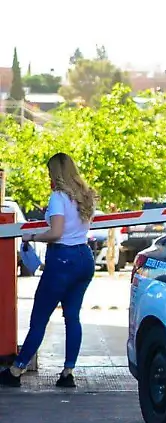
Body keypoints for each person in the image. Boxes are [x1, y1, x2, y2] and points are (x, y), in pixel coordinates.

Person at [0, 153, 98, 388]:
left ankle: (16, 370)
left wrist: (31, 236)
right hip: (85, 257)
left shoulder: (58, 198)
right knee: (72, 317)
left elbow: (56, 232)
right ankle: (68, 372)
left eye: (49, 172)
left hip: (62, 258)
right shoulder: (85, 196)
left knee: (40, 317)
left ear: (55, 173)